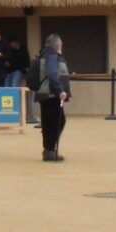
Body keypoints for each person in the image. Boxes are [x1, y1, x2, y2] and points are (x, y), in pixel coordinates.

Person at [36, 33, 71, 162]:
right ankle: (50, 150)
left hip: (45, 94)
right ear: (57, 44)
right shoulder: (52, 55)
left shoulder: (46, 54)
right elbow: (52, 74)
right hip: (51, 94)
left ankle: (48, 150)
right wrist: (60, 90)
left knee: (49, 122)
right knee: (58, 121)